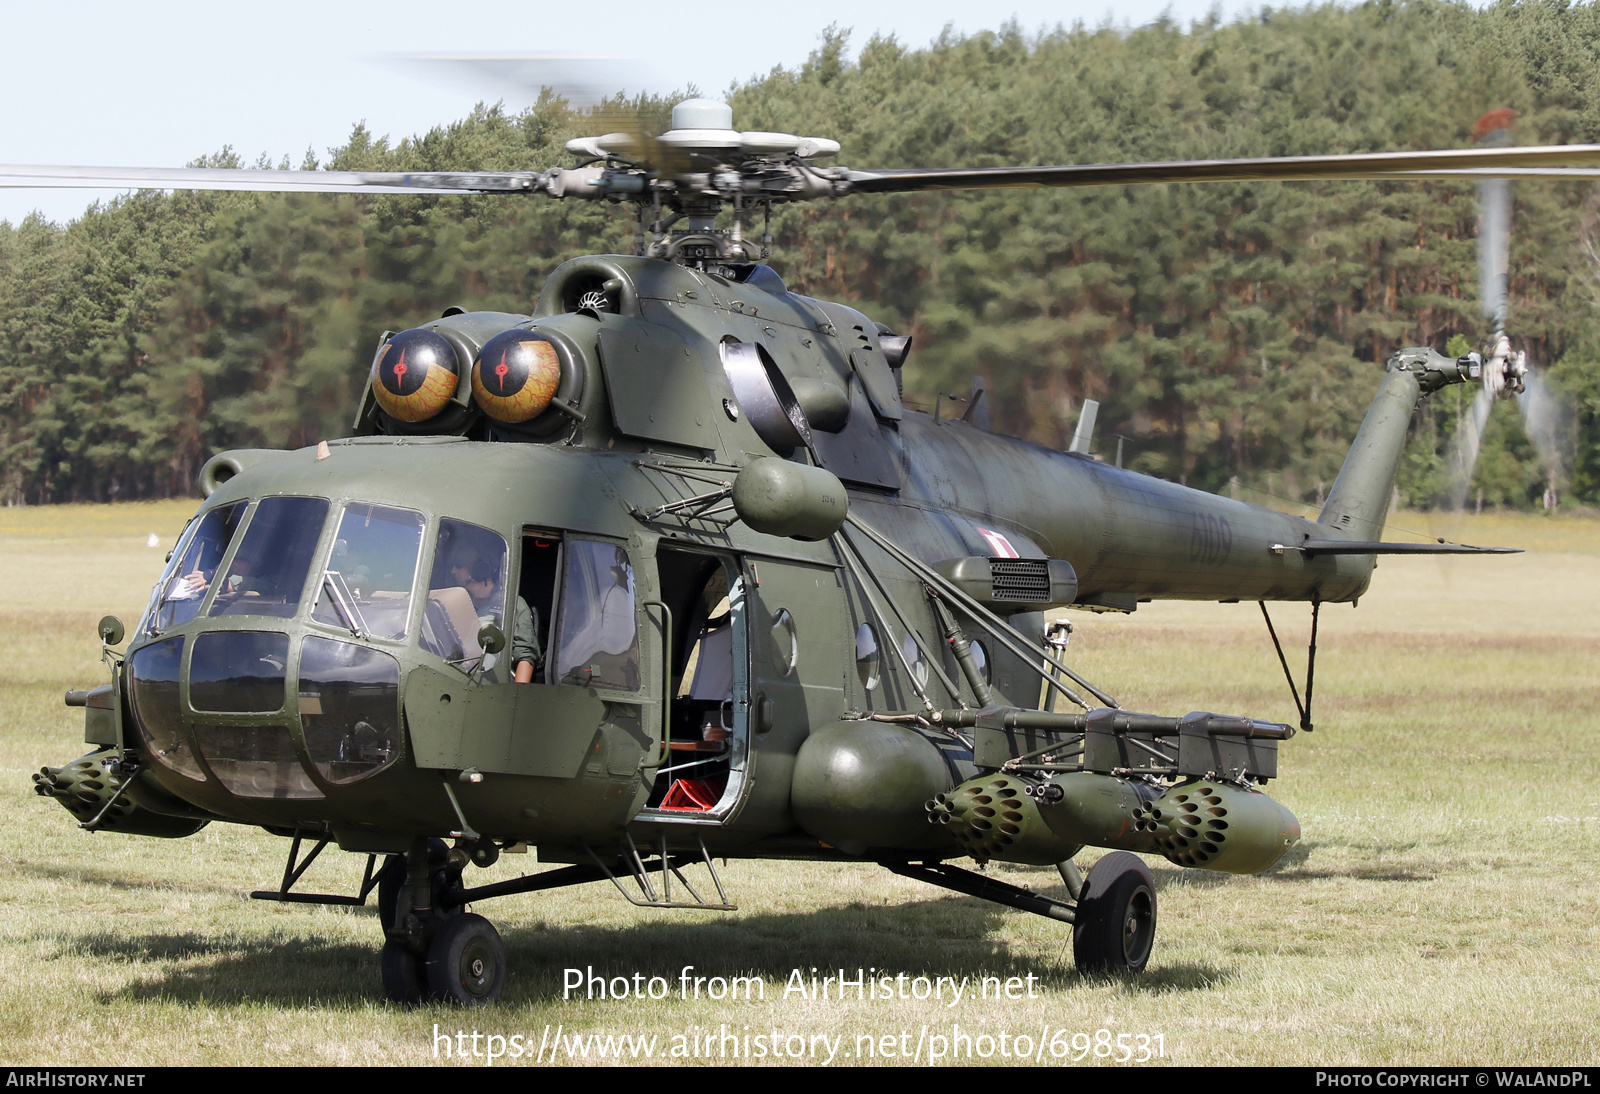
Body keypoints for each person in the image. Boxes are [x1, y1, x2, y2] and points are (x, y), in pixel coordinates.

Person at [451, 556, 541, 683]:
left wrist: (514, 696)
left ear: (479, 569)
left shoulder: (511, 604)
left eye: (459, 566)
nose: (453, 571)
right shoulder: (459, 604)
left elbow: (525, 655)